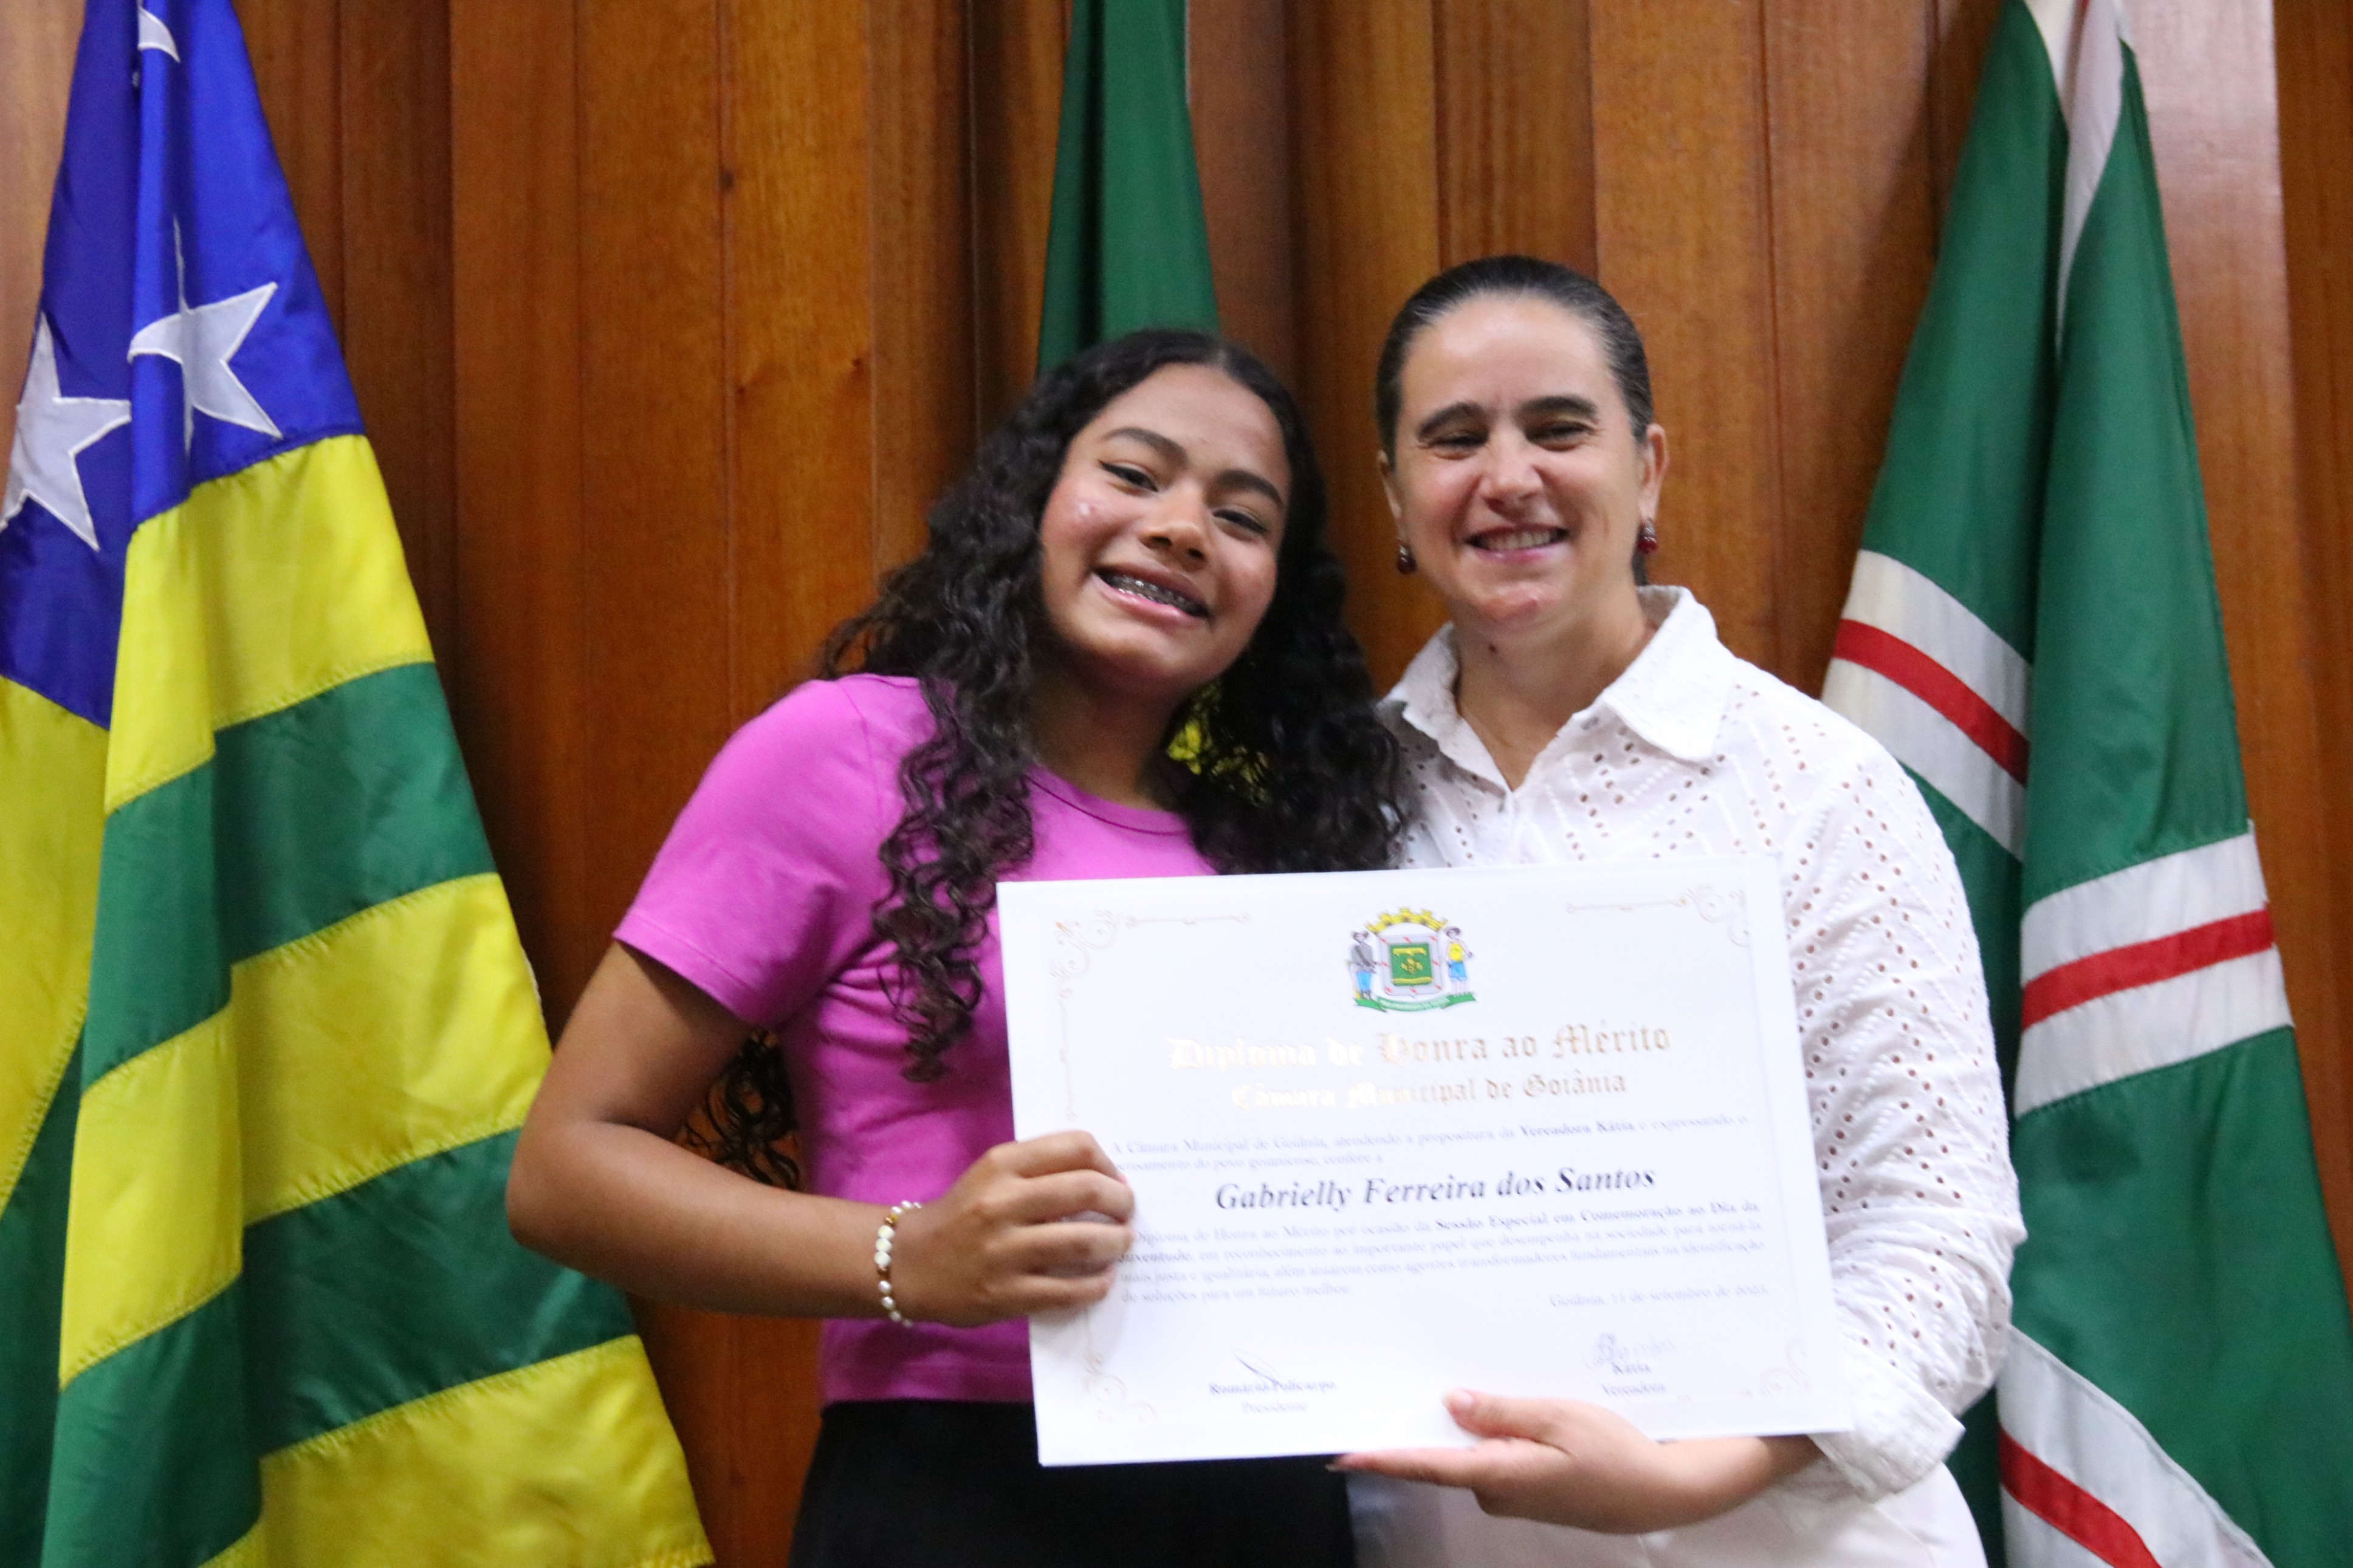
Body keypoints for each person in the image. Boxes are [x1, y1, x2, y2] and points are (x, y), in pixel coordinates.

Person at [506, 329, 1399, 1568]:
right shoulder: (842, 755)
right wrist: (910, 1257)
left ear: (1273, 593)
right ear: (1033, 502)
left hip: (1270, 1491)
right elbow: (563, 1172)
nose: (1183, 528)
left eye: (1242, 518)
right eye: (1134, 474)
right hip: (957, 1490)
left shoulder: (1276, 844)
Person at [1332, 256, 2023, 1567]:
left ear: (1646, 470)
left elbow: (1937, 1235)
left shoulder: (1819, 788)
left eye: (1558, 427)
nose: (1509, 476)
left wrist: (1692, 1474)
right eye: (1454, 438)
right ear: (1395, 495)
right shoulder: (1328, 807)